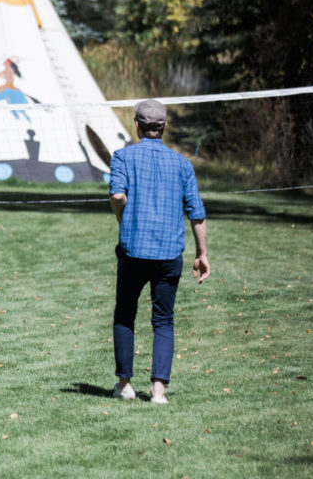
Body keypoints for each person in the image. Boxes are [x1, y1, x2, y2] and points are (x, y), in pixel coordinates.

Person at [108, 99, 210, 405]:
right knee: (163, 320)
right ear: (163, 127)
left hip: (134, 251)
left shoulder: (122, 157)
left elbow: (117, 194)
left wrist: (122, 221)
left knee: (125, 315)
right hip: (169, 255)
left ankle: (125, 385)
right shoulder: (182, 164)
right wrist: (202, 253)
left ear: (136, 125)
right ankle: (158, 391)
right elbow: (197, 213)